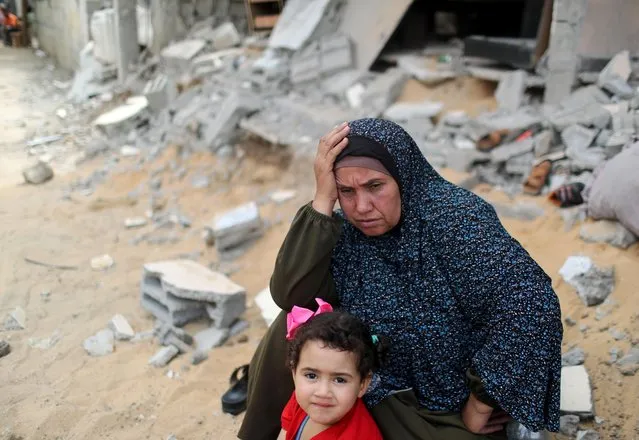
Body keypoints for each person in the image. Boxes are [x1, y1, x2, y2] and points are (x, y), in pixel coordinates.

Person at [238, 118, 562, 440]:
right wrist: (322, 200)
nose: (362, 207)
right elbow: (290, 294)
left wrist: (480, 403)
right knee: (294, 321)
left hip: (439, 408)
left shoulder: (455, 220)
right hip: (362, 384)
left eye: (375, 187)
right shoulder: (346, 230)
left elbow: (532, 305)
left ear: (403, 177)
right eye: (346, 191)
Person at [281, 299, 385, 440]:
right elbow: (285, 432)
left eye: (339, 380)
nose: (323, 392)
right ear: (294, 373)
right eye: (311, 376)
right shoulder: (299, 401)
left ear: (363, 384)